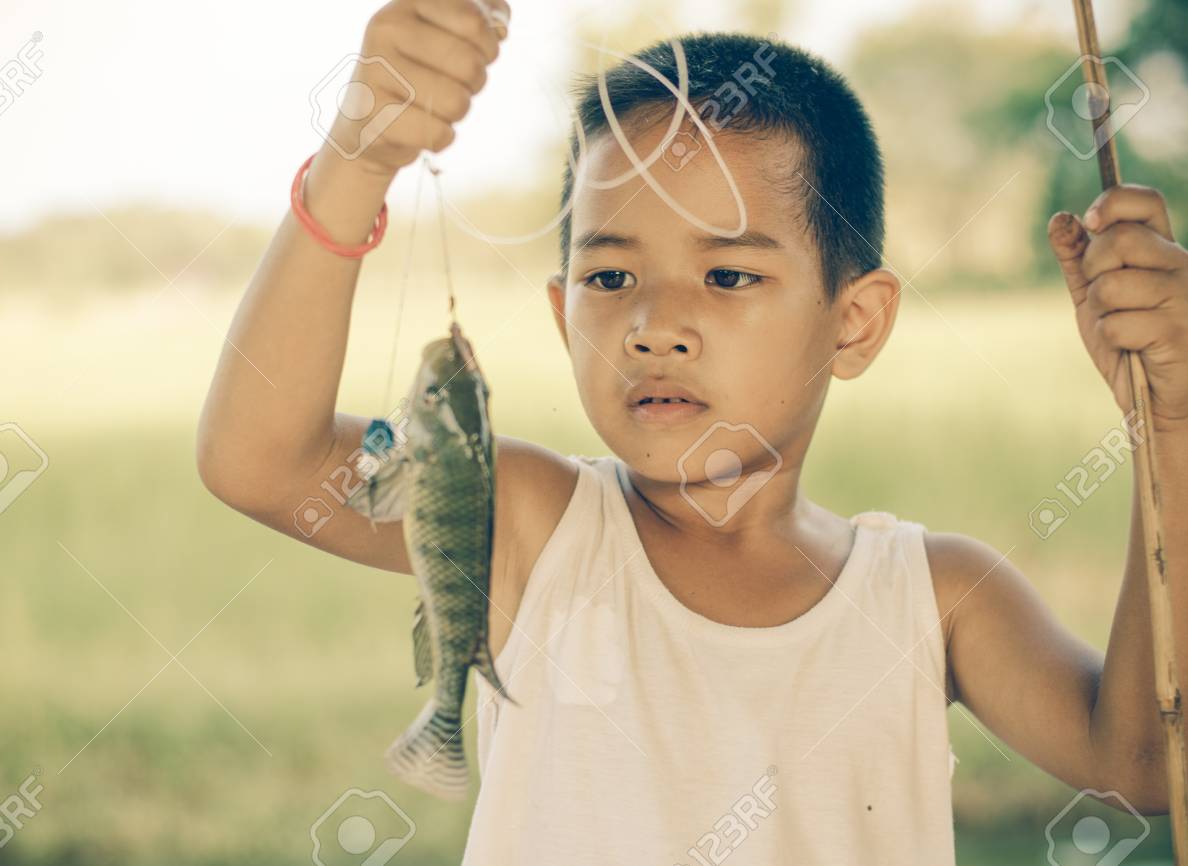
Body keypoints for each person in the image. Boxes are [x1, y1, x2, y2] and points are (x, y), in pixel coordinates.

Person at [196, 1, 1188, 862]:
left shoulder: (935, 598)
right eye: (609, 276)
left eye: (727, 274)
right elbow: (262, 461)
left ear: (853, 322)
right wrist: (359, 158)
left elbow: (1144, 760)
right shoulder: (538, 527)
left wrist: (1173, 421)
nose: (653, 324)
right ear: (563, 317)